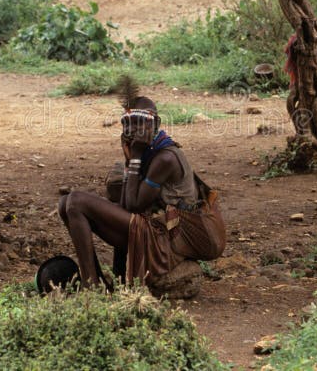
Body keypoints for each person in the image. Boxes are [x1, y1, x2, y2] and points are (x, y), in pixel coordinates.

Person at [58, 82, 226, 288]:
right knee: (64, 203)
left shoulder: (165, 158)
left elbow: (132, 207)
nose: (132, 130)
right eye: (127, 123)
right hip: (151, 228)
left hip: (165, 238)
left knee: (75, 201)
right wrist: (131, 160)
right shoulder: (147, 151)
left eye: (140, 123)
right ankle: (97, 278)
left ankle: (90, 285)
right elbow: (125, 203)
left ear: (156, 123)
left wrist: (134, 159)